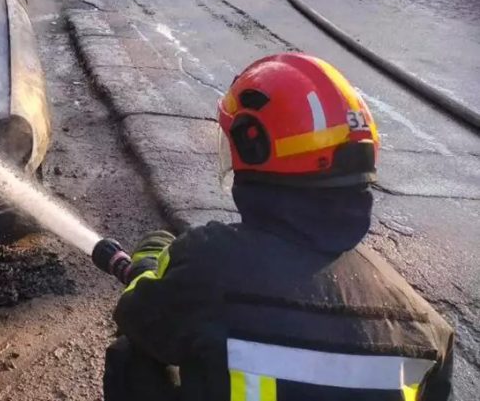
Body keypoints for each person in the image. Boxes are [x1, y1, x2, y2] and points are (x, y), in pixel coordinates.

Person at [103, 53, 455, 401]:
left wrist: (148, 265)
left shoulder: (212, 265)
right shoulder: (425, 328)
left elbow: (136, 314)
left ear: (254, 146)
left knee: (129, 360)